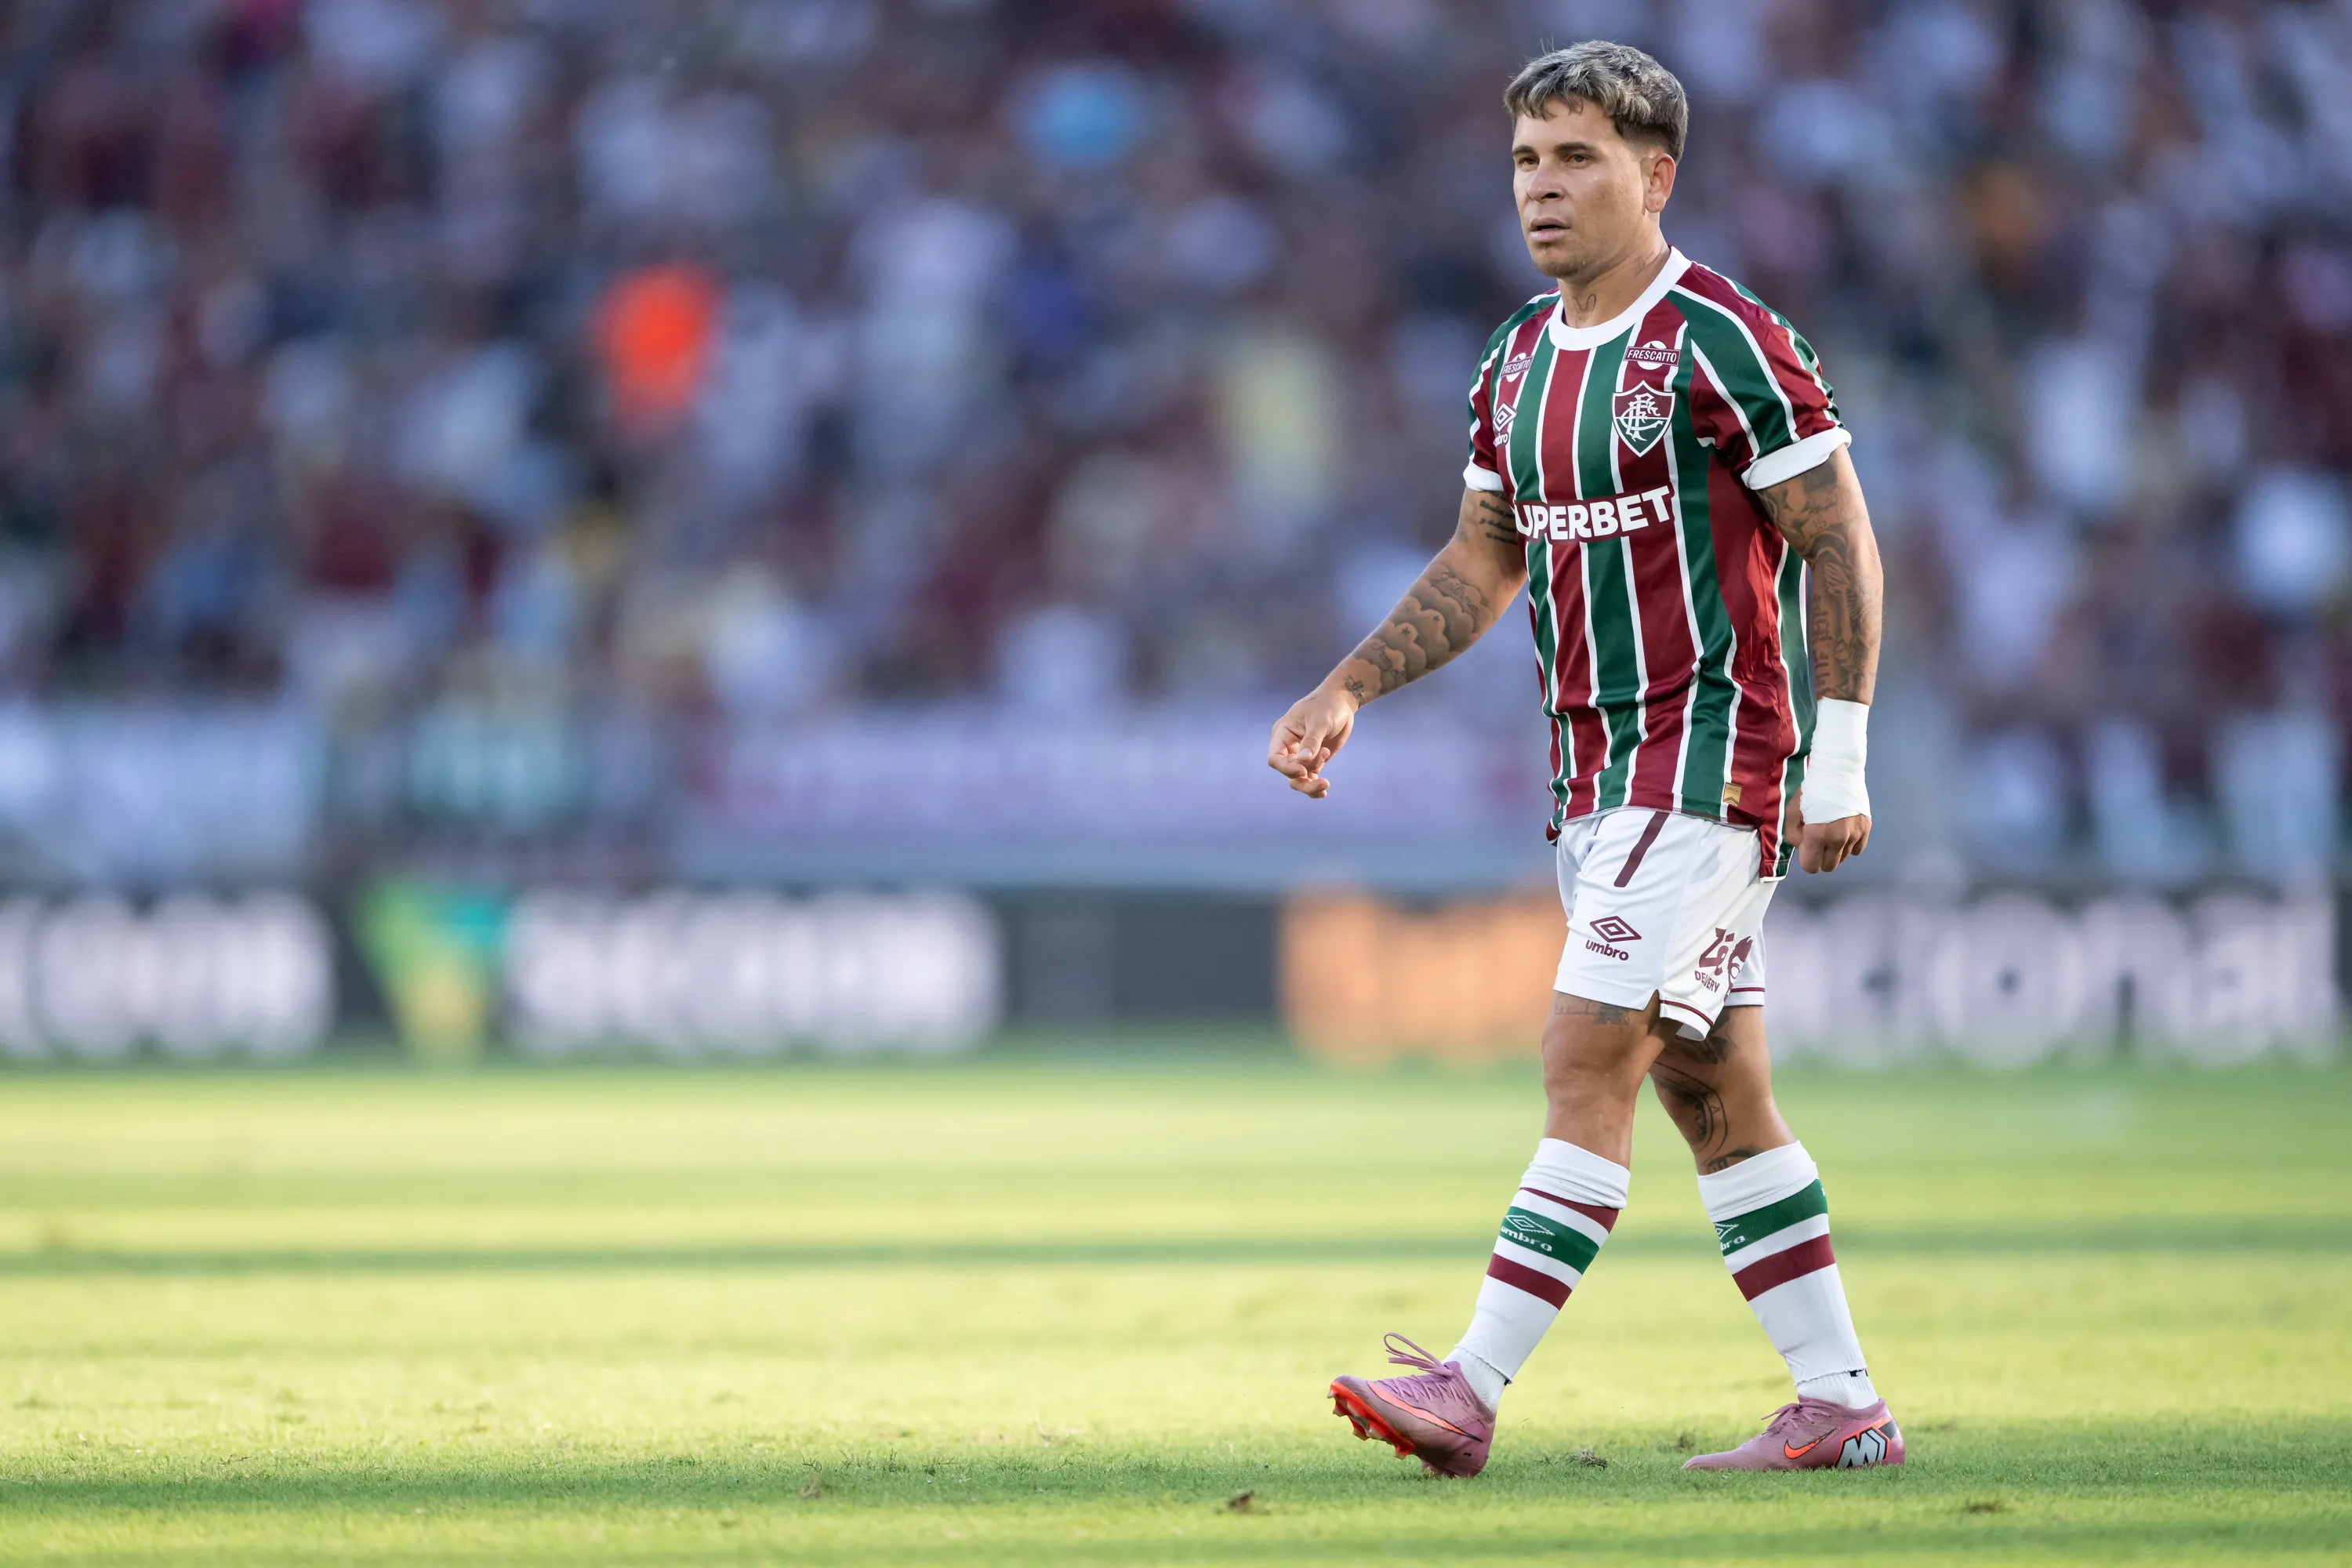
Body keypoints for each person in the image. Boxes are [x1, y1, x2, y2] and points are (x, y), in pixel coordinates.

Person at [1266, 41, 1897, 1478]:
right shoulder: (1513, 362)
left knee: (1584, 1058)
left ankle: (1470, 1387)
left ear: (1654, 176)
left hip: (1708, 758)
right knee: (1715, 1088)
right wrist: (1352, 682)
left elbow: (1836, 533)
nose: (1540, 192)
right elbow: (1486, 558)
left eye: (1576, 162)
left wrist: (1842, 752)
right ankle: (1841, 1399)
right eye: (1525, 165)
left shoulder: (1725, 336)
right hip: (1594, 775)